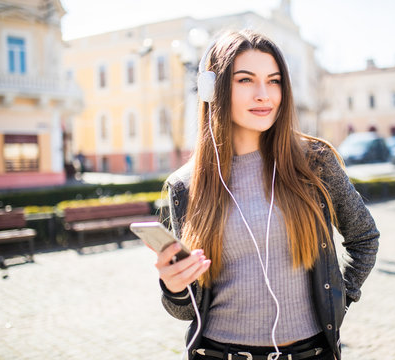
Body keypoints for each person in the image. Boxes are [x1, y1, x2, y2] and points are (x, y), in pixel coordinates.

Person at [156, 30, 379, 360]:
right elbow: (188, 311)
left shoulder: (315, 162)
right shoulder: (186, 186)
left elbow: (364, 237)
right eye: (245, 80)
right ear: (212, 88)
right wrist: (174, 287)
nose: (264, 95)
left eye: (273, 81)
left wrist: (340, 297)